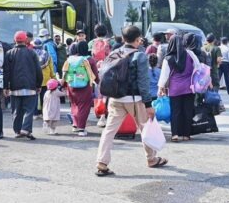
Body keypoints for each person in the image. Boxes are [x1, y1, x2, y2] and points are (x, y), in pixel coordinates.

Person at [95, 25, 166, 176]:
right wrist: (148, 104)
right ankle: (151, 159)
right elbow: (143, 82)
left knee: (109, 131)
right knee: (145, 128)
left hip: (115, 98)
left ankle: (102, 162)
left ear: (123, 38)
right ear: (138, 39)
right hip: (134, 99)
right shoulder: (140, 56)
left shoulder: (115, 53)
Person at [158, 34, 199, 142]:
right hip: (189, 88)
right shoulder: (190, 54)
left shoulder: (168, 58)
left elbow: (164, 75)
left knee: (175, 111)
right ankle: (186, 135)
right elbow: (198, 67)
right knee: (187, 111)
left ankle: (175, 134)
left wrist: (160, 88)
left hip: (174, 89)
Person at [4, 31, 43, 140]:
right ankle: (26, 129)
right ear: (26, 40)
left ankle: (18, 131)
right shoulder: (32, 53)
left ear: (14, 40)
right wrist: (39, 84)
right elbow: (38, 70)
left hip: (14, 87)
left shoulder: (9, 53)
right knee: (29, 110)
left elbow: (6, 72)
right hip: (30, 86)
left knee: (16, 110)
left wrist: (5, 87)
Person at [62, 41, 97, 136]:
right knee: (84, 107)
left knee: (74, 105)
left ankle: (75, 125)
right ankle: (81, 128)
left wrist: (64, 85)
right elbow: (95, 75)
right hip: (85, 86)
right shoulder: (89, 60)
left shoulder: (70, 59)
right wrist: (99, 83)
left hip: (71, 85)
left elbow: (64, 72)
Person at [32, 37, 55, 116]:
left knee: (34, 96)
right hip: (45, 79)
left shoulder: (31, 54)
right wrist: (53, 77)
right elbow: (51, 67)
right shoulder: (47, 54)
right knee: (44, 97)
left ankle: (35, 113)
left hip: (34, 78)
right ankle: (43, 112)